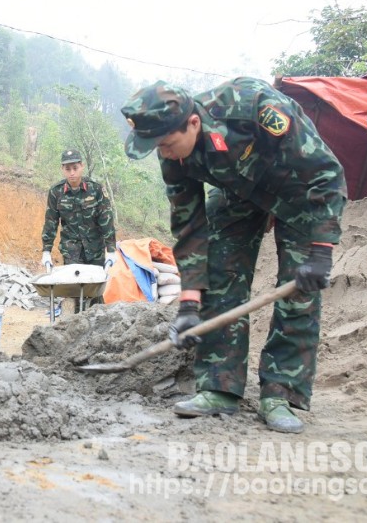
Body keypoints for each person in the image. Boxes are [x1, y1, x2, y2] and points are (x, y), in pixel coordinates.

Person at [120, 78, 346, 434]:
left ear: (192, 123)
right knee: (219, 273)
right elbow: (190, 227)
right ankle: (219, 387)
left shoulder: (253, 108)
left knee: (298, 291)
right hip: (238, 193)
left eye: (165, 144)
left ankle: (280, 394)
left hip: (299, 191)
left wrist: (321, 251)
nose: (163, 153)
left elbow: (326, 173)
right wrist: (190, 305)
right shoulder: (174, 154)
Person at [40, 149, 117, 313]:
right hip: (71, 250)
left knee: (95, 291)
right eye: (68, 169)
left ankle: (98, 327)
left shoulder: (95, 189)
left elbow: (106, 220)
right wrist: (46, 251)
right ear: (62, 169)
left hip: (95, 249)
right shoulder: (56, 192)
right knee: (74, 292)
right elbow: (51, 222)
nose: (72, 173)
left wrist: (111, 249)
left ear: (82, 166)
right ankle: (74, 327)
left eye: (75, 168)